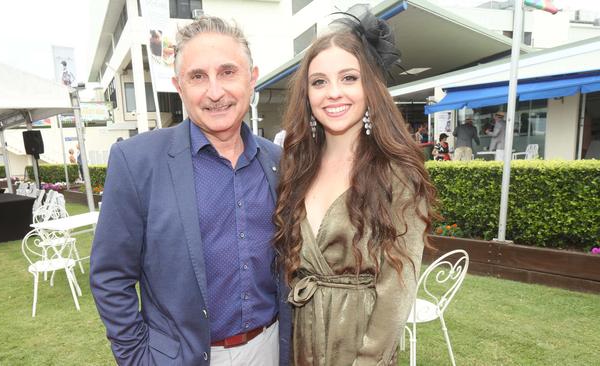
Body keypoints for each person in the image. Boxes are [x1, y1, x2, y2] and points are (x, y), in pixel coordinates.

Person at [89, 16, 291, 366]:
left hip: (270, 348)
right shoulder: (137, 161)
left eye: (228, 72)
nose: (215, 92)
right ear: (179, 86)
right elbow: (110, 275)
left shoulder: (279, 161)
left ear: (252, 78)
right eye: (198, 76)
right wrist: (138, 358)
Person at [273, 6, 435, 365]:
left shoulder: (398, 173)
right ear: (307, 93)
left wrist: (369, 358)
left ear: (370, 87)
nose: (333, 93)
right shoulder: (295, 167)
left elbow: (398, 289)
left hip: (360, 342)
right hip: (302, 337)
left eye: (349, 78)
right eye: (319, 82)